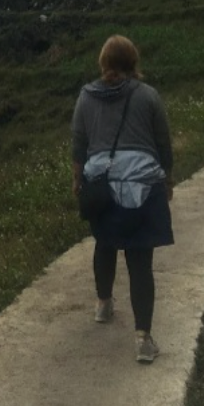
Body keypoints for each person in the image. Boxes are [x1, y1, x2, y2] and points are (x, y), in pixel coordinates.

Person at [71, 34, 174, 364]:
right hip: (144, 187)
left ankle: (103, 304)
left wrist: (78, 181)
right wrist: (167, 179)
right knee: (140, 259)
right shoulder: (148, 97)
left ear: (103, 63)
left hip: (103, 186)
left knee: (104, 242)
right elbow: (163, 144)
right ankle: (143, 339)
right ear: (134, 63)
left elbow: (79, 144)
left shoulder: (86, 98)